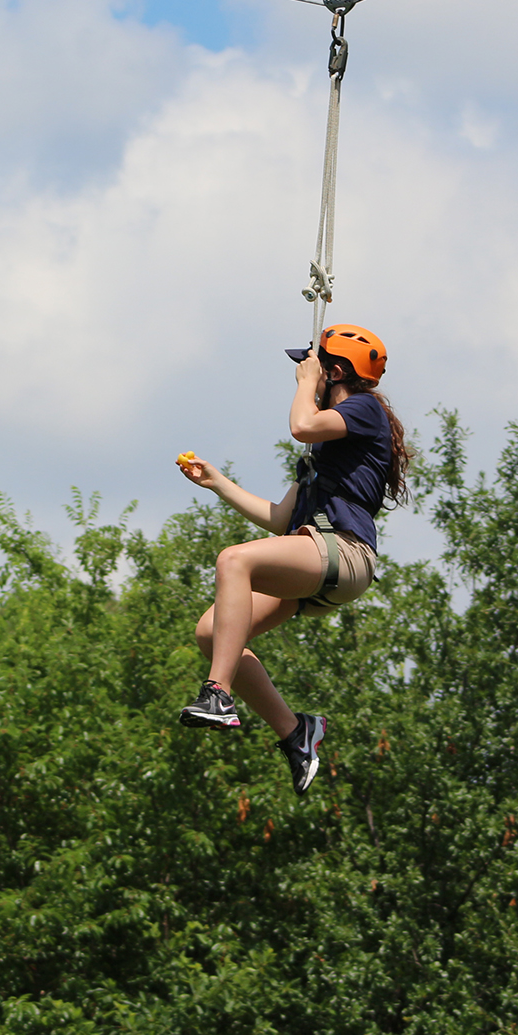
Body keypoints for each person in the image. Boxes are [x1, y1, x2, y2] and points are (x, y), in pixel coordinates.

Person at [172, 324, 410, 795]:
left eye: (312, 365)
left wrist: (306, 386)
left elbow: (300, 423)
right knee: (210, 632)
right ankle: (296, 732)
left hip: (344, 552)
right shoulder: (325, 452)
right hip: (318, 559)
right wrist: (219, 483)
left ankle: (217, 695)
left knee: (233, 561)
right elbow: (281, 518)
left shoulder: (363, 410)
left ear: (335, 370)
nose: (303, 373)